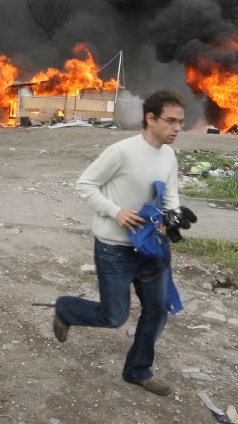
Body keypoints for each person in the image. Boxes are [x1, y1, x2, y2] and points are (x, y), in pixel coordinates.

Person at [52, 89, 186, 397]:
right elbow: (85, 184)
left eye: (181, 121)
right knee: (114, 316)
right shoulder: (122, 151)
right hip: (115, 249)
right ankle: (66, 310)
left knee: (157, 310)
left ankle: (138, 370)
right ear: (150, 119)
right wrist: (116, 212)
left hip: (151, 248)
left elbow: (170, 195)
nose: (178, 128)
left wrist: (172, 217)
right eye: (171, 121)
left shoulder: (168, 154)